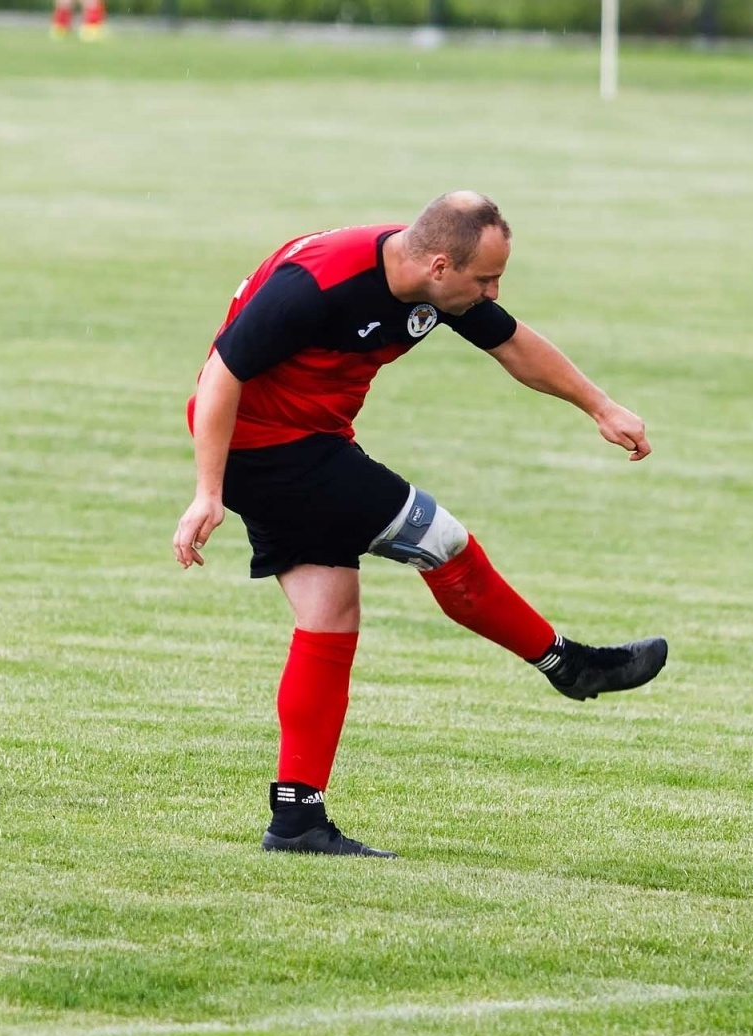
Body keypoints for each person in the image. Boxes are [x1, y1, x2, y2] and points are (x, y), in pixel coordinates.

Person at [173, 191, 667, 859]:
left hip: (303, 442)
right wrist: (208, 493)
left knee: (329, 617)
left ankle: (297, 820)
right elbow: (220, 376)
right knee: (442, 541)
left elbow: (513, 343)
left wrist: (600, 407)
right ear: (439, 265)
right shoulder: (318, 285)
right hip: (268, 448)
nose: (492, 292)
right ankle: (565, 662)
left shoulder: (431, 283)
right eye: (485, 279)